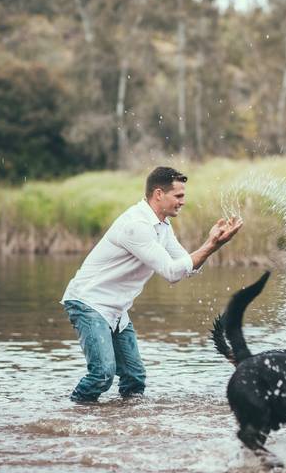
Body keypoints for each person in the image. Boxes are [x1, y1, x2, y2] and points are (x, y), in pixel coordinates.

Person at [61, 166, 243, 403]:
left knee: (134, 377)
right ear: (159, 194)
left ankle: (126, 426)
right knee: (101, 375)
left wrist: (214, 244)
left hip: (116, 309)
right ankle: (70, 420)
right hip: (89, 302)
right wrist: (210, 245)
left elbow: (186, 267)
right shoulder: (137, 225)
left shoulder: (163, 226)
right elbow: (170, 272)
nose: (183, 202)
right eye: (178, 196)